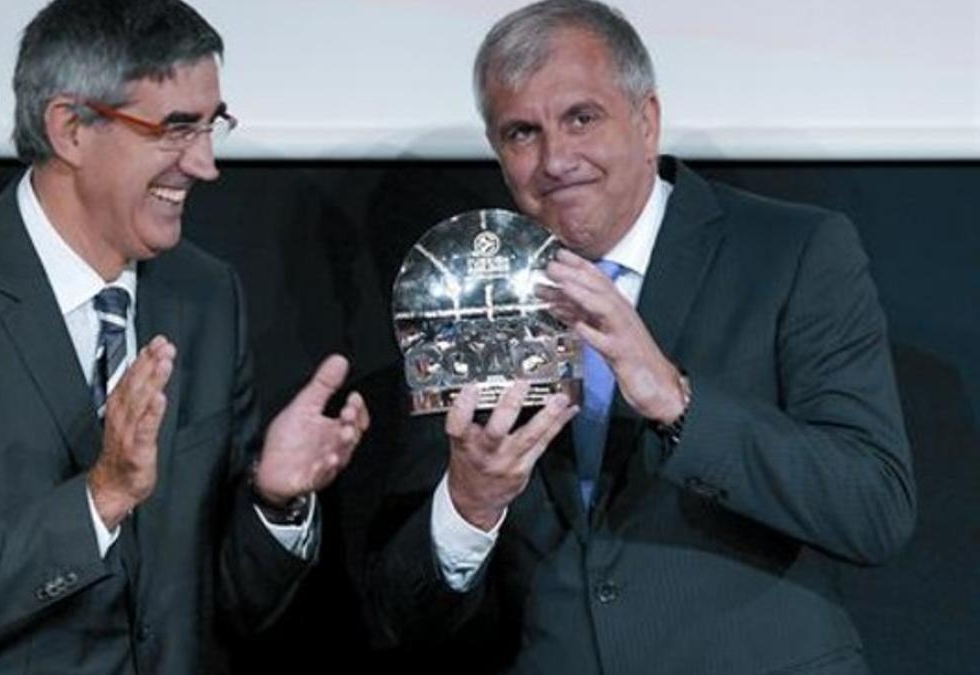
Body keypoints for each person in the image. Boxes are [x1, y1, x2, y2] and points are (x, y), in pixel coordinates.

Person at [354, 1, 915, 672]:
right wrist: (470, 505)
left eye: (581, 118)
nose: (556, 158)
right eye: (521, 132)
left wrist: (680, 402)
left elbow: (873, 507)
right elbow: (396, 609)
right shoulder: (467, 297)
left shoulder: (793, 252)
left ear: (646, 120)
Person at [0, 1, 369, 673]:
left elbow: (226, 601)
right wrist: (100, 497)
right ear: (71, 128)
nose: (205, 164)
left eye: (212, 126)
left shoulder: (205, 296)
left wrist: (273, 498)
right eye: (176, 129)